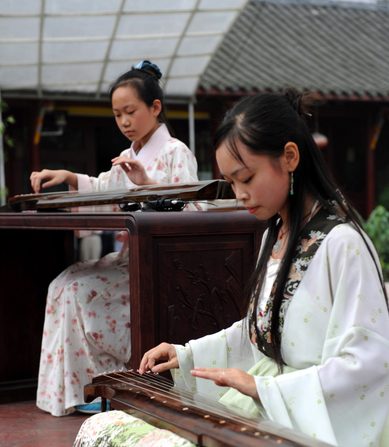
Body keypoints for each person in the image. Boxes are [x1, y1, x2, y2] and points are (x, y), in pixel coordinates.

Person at [74, 90, 389, 447]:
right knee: (106, 427)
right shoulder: (276, 234)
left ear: (289, 157)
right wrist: (186, 353)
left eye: (247, 178)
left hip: (306, 421)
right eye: (232, 182)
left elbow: (368, 365)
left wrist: (264, 388)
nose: (239, 193)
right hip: (268, 409)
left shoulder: (343, 244)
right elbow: (260, 333)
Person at [29, 60, 200, 417]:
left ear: (155, 108)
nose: (123, 121)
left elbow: (193, 211)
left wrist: (148, 185)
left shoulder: (175, 153)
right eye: (117, 114)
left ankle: (103, 381)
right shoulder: (129, 155)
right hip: (130, 260)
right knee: (62, 282)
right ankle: (75, 389)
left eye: (130, 111)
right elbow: (104, 186)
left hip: (158, 266)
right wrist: (67, 175)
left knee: (79, 289)